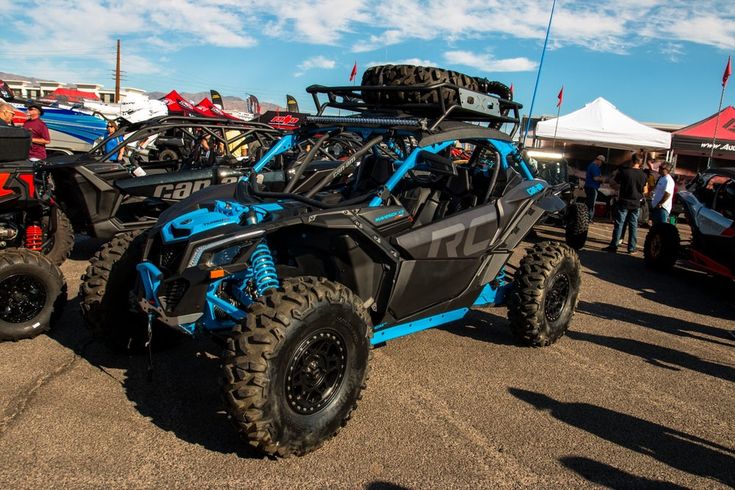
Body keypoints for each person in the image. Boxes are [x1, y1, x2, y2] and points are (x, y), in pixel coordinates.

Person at [603, 156, 646, 254]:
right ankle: (631, 247)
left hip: (624, 201)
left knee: (619, 224)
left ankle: (614, 245)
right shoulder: (643, 175)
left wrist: (618, 186)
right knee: (633, 225)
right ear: (640, 162)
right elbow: (644, 190)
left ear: (632, 161)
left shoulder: (624, 172)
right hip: (636, 203)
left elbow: (612, 183)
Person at [584, 155, 606, 221]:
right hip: (592, 188)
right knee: (591, 204)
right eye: (601, 162)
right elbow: (596, 178)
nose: (601, 164)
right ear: (598, 160)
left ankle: (586, 217)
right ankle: (589, 218)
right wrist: (602, 179)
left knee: (588, 203)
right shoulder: (594, 167)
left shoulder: (591, 166)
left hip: (589, 187)